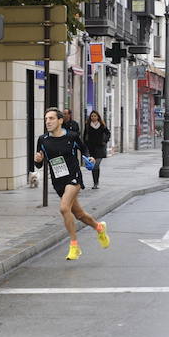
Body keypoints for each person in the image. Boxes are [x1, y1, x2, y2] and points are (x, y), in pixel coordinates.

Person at [34, 107, 110, 260]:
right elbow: (39, 164)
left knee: (63, 208)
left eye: (51, 118)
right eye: (46, 119)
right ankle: (99, 227)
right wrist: (38, 161)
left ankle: (74, 246)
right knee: (79, 214)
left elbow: (85, 150)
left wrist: (90, 158)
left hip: (73, 177)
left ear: (60, 120)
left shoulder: (72, 136)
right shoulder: (43, 140)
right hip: (58, 181)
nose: (48, 121)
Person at [82, 110, 110, 189]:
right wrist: (86, 144)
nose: (93, 117)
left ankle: (96, 183)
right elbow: (84, 136)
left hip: (100, 148)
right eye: (92, 116)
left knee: (96, 165)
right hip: (91, 148)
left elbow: (108, 133)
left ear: (98, 117)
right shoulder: (88, 125)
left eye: (95, 116)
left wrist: (104, 141)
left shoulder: (102, 125)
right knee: (94, 165)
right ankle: (95, 183)